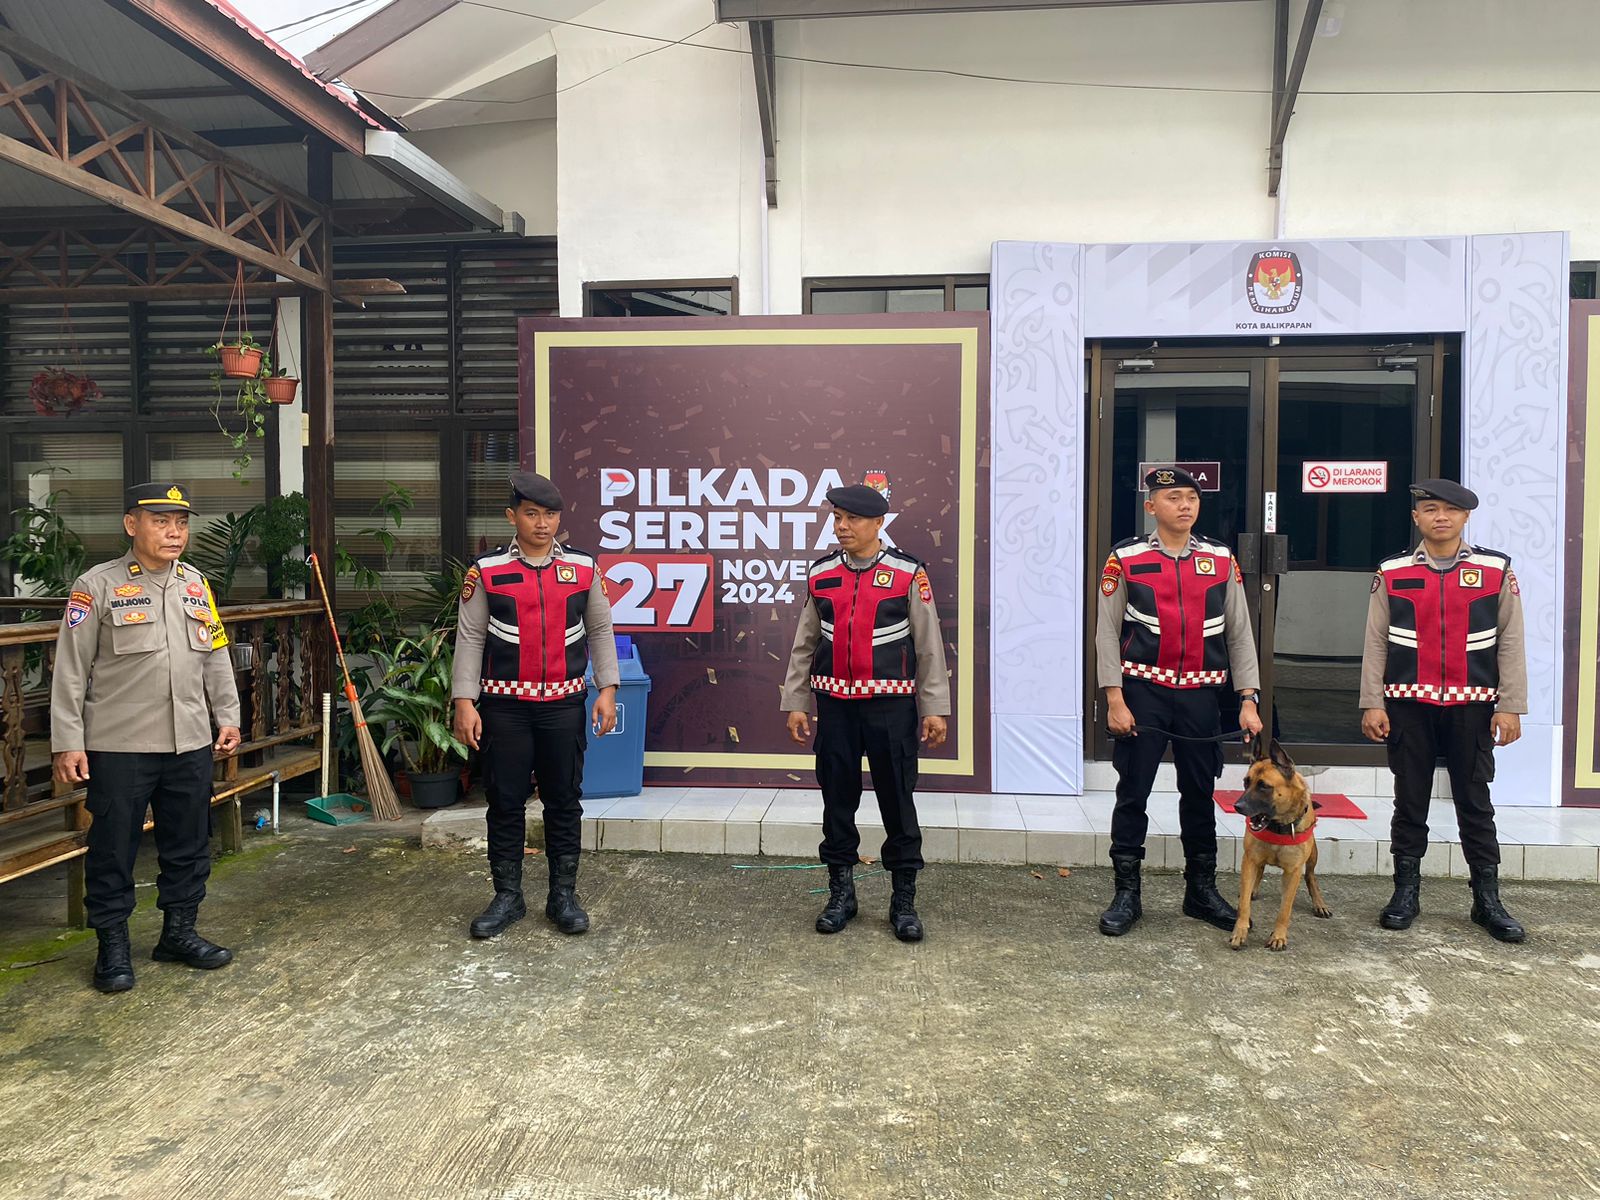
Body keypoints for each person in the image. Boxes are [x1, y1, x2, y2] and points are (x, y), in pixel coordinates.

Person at [50, 483, 242, 994]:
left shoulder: (196, 584)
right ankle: (112, 947)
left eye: (181, 522)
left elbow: (215, 653)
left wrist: (227, 715)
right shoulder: (98, 586)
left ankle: (178, 933)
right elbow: (70, 671)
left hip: (189, 742)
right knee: (113, 847)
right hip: (120, 744)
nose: (174, 531)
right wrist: (68, 741)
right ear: (131, 525)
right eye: (160, 521)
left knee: (189, 842)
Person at [1095, 467, 1264, 937]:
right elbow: (1107, 632)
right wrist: (1114, 697)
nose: (1185, 505)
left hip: (1200, 695)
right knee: (1133, 792)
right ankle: (1127, 894)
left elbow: (1239, 633)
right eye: (1173, 497)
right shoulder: (1125, 558)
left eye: (1192, 497)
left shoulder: (1219, 558)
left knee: (1199, 793)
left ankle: (1201, 891)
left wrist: (1248, 699)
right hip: (1142, 693)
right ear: (1152, 506)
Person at [780, 483, 950, 942]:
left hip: (891, 707)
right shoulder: (821, 574)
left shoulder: (907, 573)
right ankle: (841, 894)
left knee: (898, 800)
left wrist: (934, 707)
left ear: (878, 524)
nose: (842, 526)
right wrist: (796, 700)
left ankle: (903, 900)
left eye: (852, 519)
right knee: (837, 800)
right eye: (837, 517)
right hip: (834, 707)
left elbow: (929, 646)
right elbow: (804, 644)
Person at [452, 471, 619, 939]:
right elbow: (469, 638)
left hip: (564, 706)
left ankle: (562, 895)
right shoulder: (486, 571)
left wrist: (608, 690)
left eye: (550, 514)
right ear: (512, 516)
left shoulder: (584, 569)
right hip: (503, 708)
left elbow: (602, 631)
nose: (542, 524)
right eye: (531, 514)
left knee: (564, 800)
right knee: (504, 801)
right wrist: (465, 701)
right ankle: (507, 897)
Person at [1360, 478, 1526, 943]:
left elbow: (1511, 640)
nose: (1440, 517)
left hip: (1472, 707)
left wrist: (1510, 705)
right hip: (1408, 704)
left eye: (1450, 511)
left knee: (1475, 803)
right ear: (1416, 518)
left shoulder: (1495, 569)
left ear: (1465, 517)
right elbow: (1375, 640)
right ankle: (1405, 892)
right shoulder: (1392, 571)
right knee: (1409, 800)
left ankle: (1487, 900)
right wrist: (1372, 700)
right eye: (1430, 509)